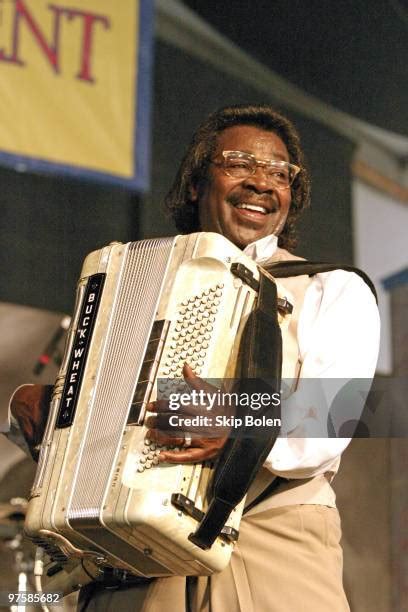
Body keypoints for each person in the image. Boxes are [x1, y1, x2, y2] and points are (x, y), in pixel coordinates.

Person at [6, 104, 380, 611]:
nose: (262, 183)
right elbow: (111, 403)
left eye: (278, 172)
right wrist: (31, 406)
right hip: (130, 560)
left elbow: (331, 419)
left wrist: (234, 419)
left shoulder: (330, 287)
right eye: (240, 163)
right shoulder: (135, 283)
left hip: (265, 550)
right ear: (195, 184)